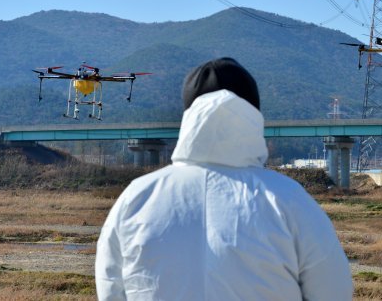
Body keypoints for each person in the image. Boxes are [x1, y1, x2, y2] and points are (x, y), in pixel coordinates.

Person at [95, 57, 353, 300]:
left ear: (189, 114)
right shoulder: (288, 198)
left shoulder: (137, 196)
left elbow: (111, 287)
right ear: (253, 113)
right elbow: (332, 290)